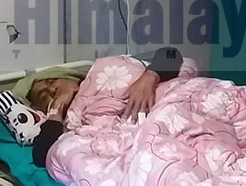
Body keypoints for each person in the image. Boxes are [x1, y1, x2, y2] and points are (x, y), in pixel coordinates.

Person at [10, 47, 184, 167]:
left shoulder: (103, 72)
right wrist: (56, 111)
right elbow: (41, 157)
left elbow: (171, 53)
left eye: (52, 81)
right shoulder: (65, 123)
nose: (52, 89)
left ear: (67, 76)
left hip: (176, 101)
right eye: (44, 96)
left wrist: (150, 77)